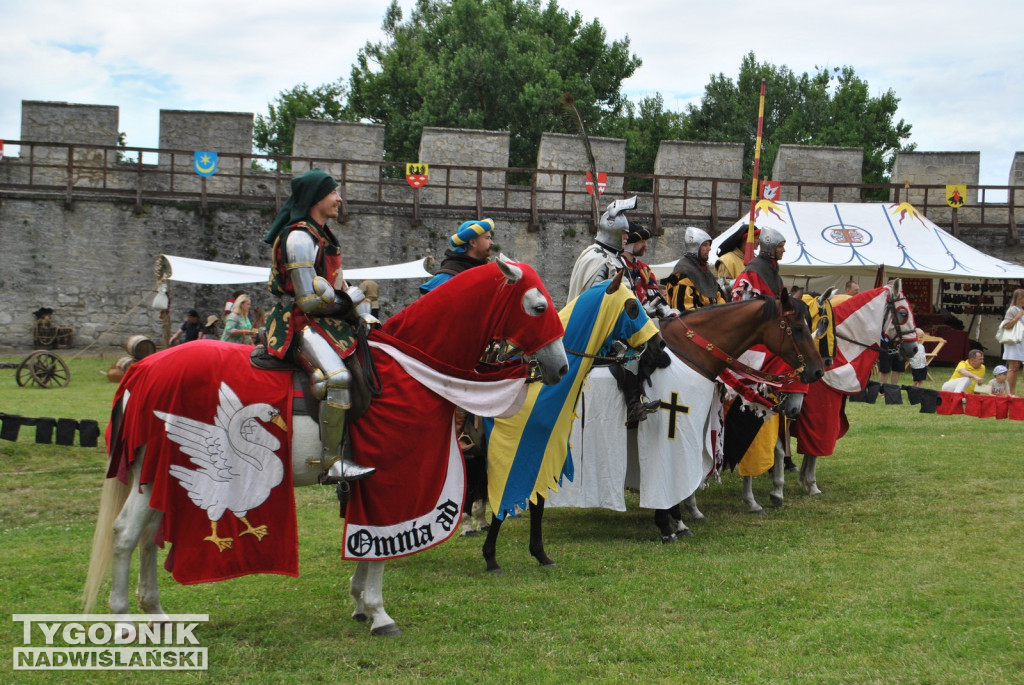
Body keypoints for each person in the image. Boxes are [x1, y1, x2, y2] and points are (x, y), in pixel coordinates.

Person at [263, 168, 375, 483]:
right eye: (333, 193)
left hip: (322, 321)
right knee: (337, 378)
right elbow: (310, 300)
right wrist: (349, 300)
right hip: (297, 324)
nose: (339, 198)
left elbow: (330, 287)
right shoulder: (299, 237)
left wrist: (354, 303)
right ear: (316, 198)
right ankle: (332, 462)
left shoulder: (320, 236)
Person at [419, 219, 494, 294]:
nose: (492, 243)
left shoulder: (482, 267)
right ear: (473, 242)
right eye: (487, 238)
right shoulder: (448, 275)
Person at [663, 227, 728, 311]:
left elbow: (720, 300)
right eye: (705, 245)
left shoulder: (705, 272)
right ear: (695, 247)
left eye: (709, 245)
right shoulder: (684, 272)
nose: (709, 248)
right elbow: (683, 309)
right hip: (695, 322)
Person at [731, 227, 785, 301]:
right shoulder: (754, 271)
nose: (783, 250)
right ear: (770, 247)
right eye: (780, 246)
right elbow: (746, 305)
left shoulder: (773, 271)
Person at [1000, 288, 1024, 395]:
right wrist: (1017, 317)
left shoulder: (1021, 309)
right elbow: (1006, 325)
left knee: (1017, 366)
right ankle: (1010, 392)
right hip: (1014, 340)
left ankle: (1012, 392)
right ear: (1020, 298)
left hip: (1021, 340)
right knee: (1013, 367)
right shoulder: (1012, 310)